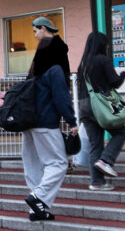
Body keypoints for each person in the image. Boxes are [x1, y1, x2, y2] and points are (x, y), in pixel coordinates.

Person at [21, 16, 77, 222]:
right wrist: (72, 121)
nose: (34, 35)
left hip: (28, 123)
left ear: (44, 29)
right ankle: (38, 198)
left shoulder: (35, 68)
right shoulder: (55, 68)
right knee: (58, 163)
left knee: (33, 164)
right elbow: (62, 97)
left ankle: (38, 209)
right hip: (45, 123)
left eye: (36, 31)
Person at [76, 31, 125, 191]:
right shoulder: (103, 60)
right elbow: (114, 82)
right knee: (120, 133)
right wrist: (124, 74)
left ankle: (97, 182)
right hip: (102, 106)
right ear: (102, 45)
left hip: (85, 107)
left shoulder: (83, 64)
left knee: (95, 145)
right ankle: (106, 160)